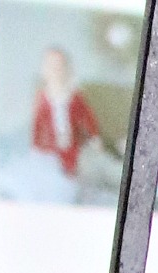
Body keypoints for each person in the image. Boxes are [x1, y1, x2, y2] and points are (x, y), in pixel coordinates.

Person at [30, 46, 101, 185]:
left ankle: (75, 178)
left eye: (60, 66)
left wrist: (94, 136)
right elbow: (37, 123)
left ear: (67, 69)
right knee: (53, 167)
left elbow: (87, 117)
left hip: (73, 142)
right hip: (52, 145)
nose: (56, 70)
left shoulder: (74, 96)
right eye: (52, 66)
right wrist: (36, 145)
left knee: (78, 163)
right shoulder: (42, 98)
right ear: (45, 70)